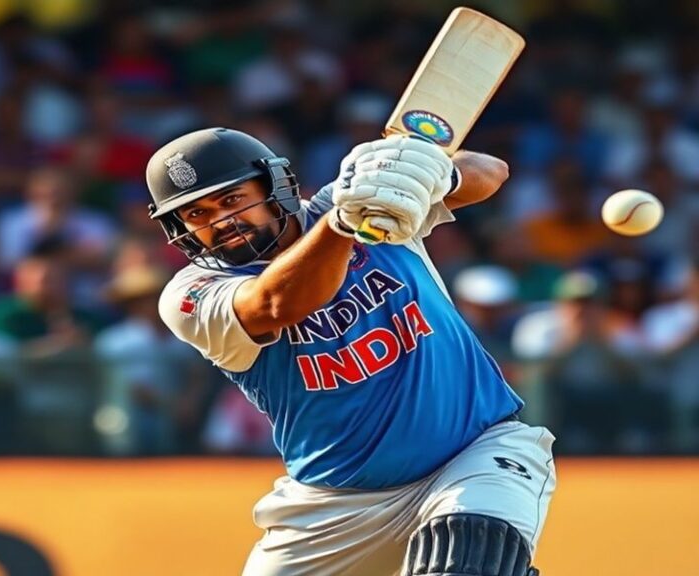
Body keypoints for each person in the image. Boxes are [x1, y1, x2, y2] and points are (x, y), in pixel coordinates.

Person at [147, 127, 556, 576]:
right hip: (332, 504)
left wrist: (436, 173)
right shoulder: (190, 294)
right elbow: (278, 302)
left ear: (273, 186)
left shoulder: (360, 202)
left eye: (232, 200)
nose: (221, 221)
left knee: (466, 558)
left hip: (473, 452)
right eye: (196, 214)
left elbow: (492, 172)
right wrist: (345, 223)